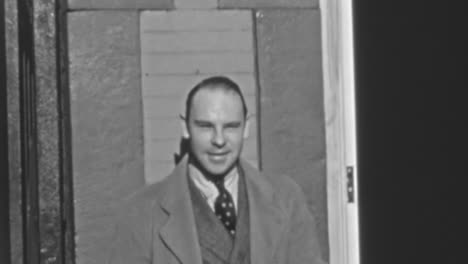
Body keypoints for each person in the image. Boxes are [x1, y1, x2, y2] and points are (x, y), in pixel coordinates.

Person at [107, 76, 325, 264]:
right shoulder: (143, 212)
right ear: (185, 127)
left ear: (246, 127)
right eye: (206, 126)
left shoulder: (286, 199)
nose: (219, 140)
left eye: (231, 126)